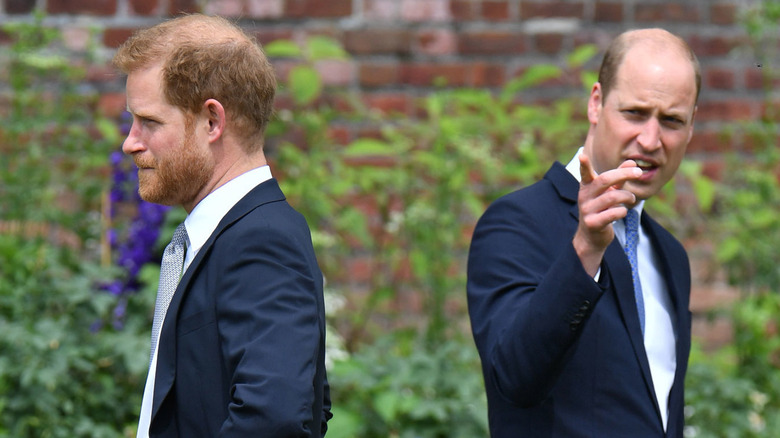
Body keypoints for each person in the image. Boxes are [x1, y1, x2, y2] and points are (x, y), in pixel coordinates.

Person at [467, 28, 700, 437]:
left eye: (672, 121)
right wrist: (584, 252)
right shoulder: (517, 223)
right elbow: (514, 380)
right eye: (634, 113)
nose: (650, 139)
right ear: (596, 103)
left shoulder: (670, 255)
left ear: (692, 127)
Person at [113, 14, 331, 437]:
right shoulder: (223, 236)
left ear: (212, 121)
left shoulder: (262, 241)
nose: (130, 142)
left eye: (150, 122)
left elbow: (275, 420)